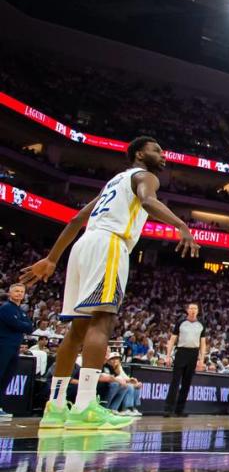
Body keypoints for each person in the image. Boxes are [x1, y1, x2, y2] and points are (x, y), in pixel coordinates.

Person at [21, 136, 200, 430]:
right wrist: (181, 225)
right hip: (109, 245)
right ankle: (85, 406)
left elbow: (77, 218)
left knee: (77, 329)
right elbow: (148, 200)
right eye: (157, 150)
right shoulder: (146, 176)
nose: (164, 155)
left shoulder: (114, 182)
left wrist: (53, 258)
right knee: (101, 322)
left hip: (83, 245)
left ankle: (54, 408)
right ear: (140, 154)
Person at [163, 302, 207, 417]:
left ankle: (180, 410)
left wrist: (202, 359)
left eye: (195, 308)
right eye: (191, 308)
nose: (193, 310)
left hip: (193, 353)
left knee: (187, 383)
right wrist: (167, 355)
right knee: (175, 382)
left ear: (198, 311)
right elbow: (172, 340)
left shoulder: (201, 323)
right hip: (181, 352)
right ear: (187, 310)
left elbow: (203, 343)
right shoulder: (181, 322)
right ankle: (168, 409)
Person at [0, 283, 33, 419]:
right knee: (1, 374)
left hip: (14, 347)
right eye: (16, 291)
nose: (19, 294)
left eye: (21, 291)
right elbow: (18, 325)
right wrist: (22, 324)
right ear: (10, 293)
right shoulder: (6, 308)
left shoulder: (21, 311)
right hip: (3, 345)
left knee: (7, 377)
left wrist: (22, 324)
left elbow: (30, 327)